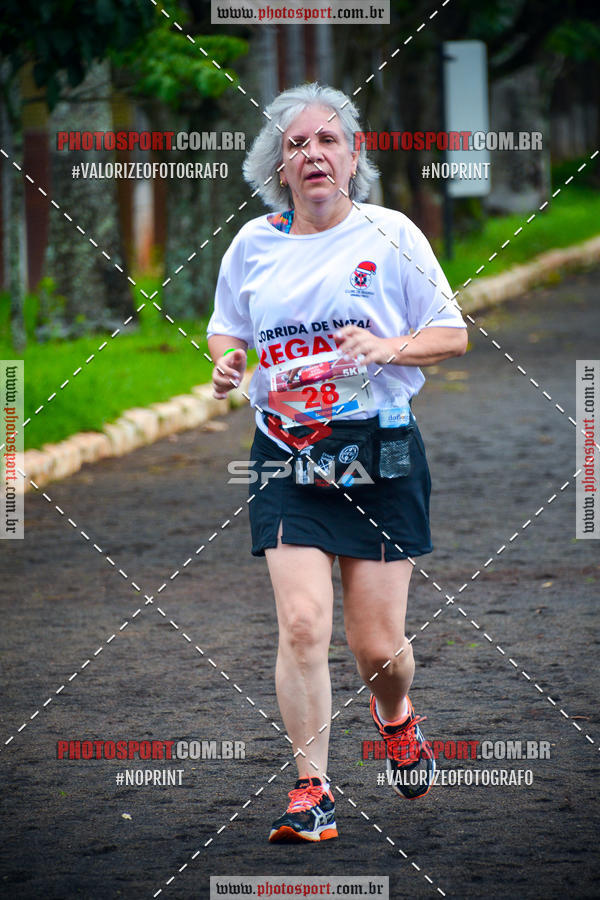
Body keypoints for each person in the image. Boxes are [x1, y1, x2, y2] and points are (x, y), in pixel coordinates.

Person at [207, 83, 468, 843]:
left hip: (377, 448)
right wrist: (226, 365)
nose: (312, 153)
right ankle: (312, 791)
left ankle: (396, 717)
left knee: (377, 647)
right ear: (279, 167)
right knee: (301, 623)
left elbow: (450, 334)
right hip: (284, 449)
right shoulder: (252, 244)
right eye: (296, 145)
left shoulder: (391, 235)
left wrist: (388, 347)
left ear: (353, 158)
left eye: (327, 140)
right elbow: (226, 331)